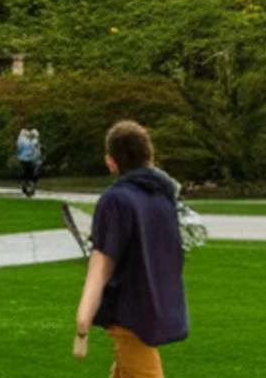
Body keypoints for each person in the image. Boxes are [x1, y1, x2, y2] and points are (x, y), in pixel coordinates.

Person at [74, 121, 189, 378]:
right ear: (149, 155)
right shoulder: (164, 195)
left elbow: (101, 266)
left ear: (111, 162)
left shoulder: (116, 200)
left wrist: (82, 323)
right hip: (156, 308)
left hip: (131, 316)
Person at [17, 127, 43, 198]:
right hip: (32, 160)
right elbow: (37, 152)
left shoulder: (21, 140)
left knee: (27, 172)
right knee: (34, 173)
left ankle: (25, 184)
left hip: (23, 159)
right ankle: (32, 187)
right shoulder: (34, 141)